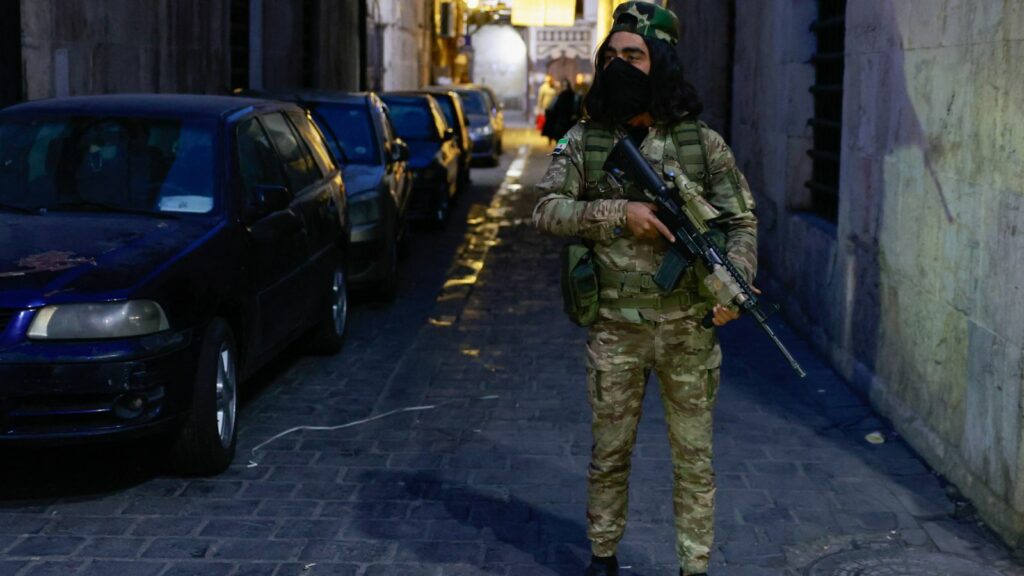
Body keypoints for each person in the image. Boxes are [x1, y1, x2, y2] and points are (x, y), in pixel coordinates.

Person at [532, 2, 758, 576]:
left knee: (695, 462)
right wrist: (618, 211)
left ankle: (694, 566)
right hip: (617, 330)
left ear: (660, 61)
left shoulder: (700, 144)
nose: (618, 64)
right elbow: (546, 210)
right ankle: (603, 558)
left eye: (632, 55)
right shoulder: (585, 140)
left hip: (688, 331)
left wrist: (735, 280)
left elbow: (740, 222)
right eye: (610, 56)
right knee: (609, 455)